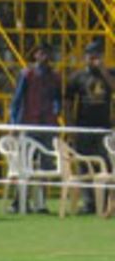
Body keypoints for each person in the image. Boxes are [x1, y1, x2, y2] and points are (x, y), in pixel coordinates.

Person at [10, 41, 62, 212]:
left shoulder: (55, 77)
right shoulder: (27, 74)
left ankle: (41, 203)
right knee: (24, 164)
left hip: (47, 125)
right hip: (29, 123)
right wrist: (14, 124)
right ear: (35, 55)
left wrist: (56, 112)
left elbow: (57, 99)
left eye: (46, 53)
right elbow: (17, 100)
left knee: (46, 165)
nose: (43, 57)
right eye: (40, 53)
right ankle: (19, 201)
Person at [64, 39, 114, 213]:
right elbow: (68, 102)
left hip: (104, 127)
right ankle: (89, 203)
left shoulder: (109, 73)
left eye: (97, 55)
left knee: (107, 164)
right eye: (90, 55)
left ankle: (107, 201)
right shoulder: (77, 77)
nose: (93, 59)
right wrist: (70, 125)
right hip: (83, 126)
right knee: (85, 165)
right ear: (85, 57)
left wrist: (103, 70)